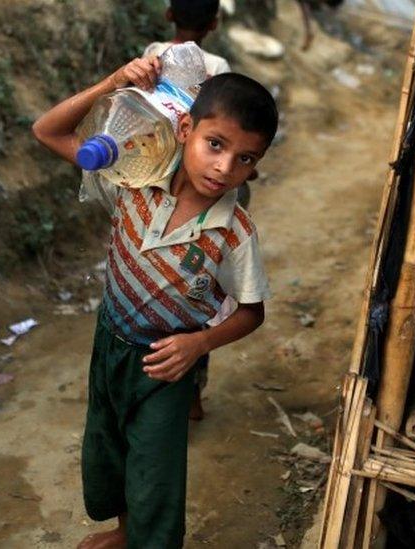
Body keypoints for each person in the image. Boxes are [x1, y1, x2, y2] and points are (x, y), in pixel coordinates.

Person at [32, 62, 278, 548]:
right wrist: (111, 85)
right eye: (215, 144)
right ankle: (125, 533)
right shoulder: (135, 171)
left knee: (155, 474)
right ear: (185, 129)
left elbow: (252, 311)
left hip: (165, 365)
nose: (225, 168)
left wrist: (200, 343)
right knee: (108, 448)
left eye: (246, 159)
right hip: (109, 343)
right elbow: (47, 130)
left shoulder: (234, 232)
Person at [143, 0, 252, 420]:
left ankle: (154, 369)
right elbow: (223, 125)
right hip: (202, 192)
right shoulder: (217, 64)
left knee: (159, 283)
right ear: (215, 22)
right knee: (202, 291)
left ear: (169, 15)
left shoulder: (153, 53)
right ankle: (191, 389)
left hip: (159, 179)